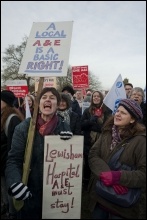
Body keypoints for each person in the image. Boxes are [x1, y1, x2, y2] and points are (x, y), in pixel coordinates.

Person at [5, 87, 73, 219]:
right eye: (44, 97)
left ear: (58, 105)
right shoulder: (23, 128)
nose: (48, 99)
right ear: (38, 103)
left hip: (56, 195)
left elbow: (70, 163)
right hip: (30, 194)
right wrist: (14, 182)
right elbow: (13, 160)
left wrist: (70, 143)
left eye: (52, 98)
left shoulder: (64, 126)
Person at [88, 99, 146, 219]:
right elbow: (93, 155)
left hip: (122, 207)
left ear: (132, 119)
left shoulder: (141, 141)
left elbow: (143, 174)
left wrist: (118, 177)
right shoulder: (107, 133)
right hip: (100, 198)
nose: (118, 114)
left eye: (123, 113)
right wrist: (107, 175)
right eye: (117, 111)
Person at [81, 91, 112, 187]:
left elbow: (107, 126)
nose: (96, 98)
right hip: (89, 141)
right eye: (94, 96)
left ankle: (99, 182)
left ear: (101, 98)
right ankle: (86, 183)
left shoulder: (107, 111)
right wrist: (91, 121)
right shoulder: (87, 111)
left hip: (102, 141)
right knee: (88, 163)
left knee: (99, 162)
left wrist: (94, 126)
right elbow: (82, 125)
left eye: (98, 96)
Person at [1, 90, 24, 219]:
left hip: (7, 164)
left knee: (10, 191)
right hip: (2, 163)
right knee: (4, 190)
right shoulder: (2, 115)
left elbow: (13, 147)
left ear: (6, 102)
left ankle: (12, 213)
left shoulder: (13, 119)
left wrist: (9, 165)